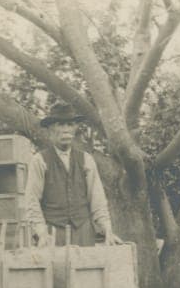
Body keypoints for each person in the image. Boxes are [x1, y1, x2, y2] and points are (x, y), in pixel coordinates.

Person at [23, 103, 122, 247]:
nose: (66, 130)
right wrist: (41, 232)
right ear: (50, 130)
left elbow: (97, 199)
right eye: (60, 125)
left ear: (75, 129)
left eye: (69, 124)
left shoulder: (86, 159)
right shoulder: (39, 161)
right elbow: (32, 201)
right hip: (52, 234)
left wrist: (107, 229)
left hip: (83, 232)